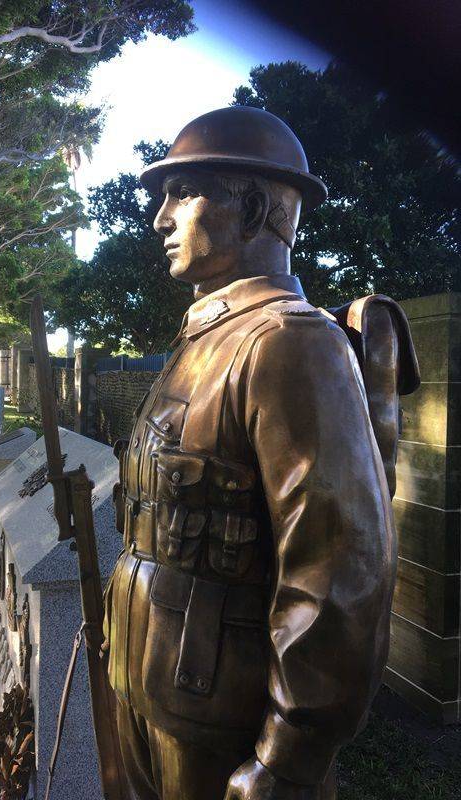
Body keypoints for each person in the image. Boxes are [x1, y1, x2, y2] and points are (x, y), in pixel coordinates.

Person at [104, 106, 398, 800]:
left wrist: (285, 760)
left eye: (183, 192)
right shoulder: (205, 339)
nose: (160, 218)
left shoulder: (287, 342)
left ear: (255, 207)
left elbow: (340, 575)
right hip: (151, 700)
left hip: (225, 733)